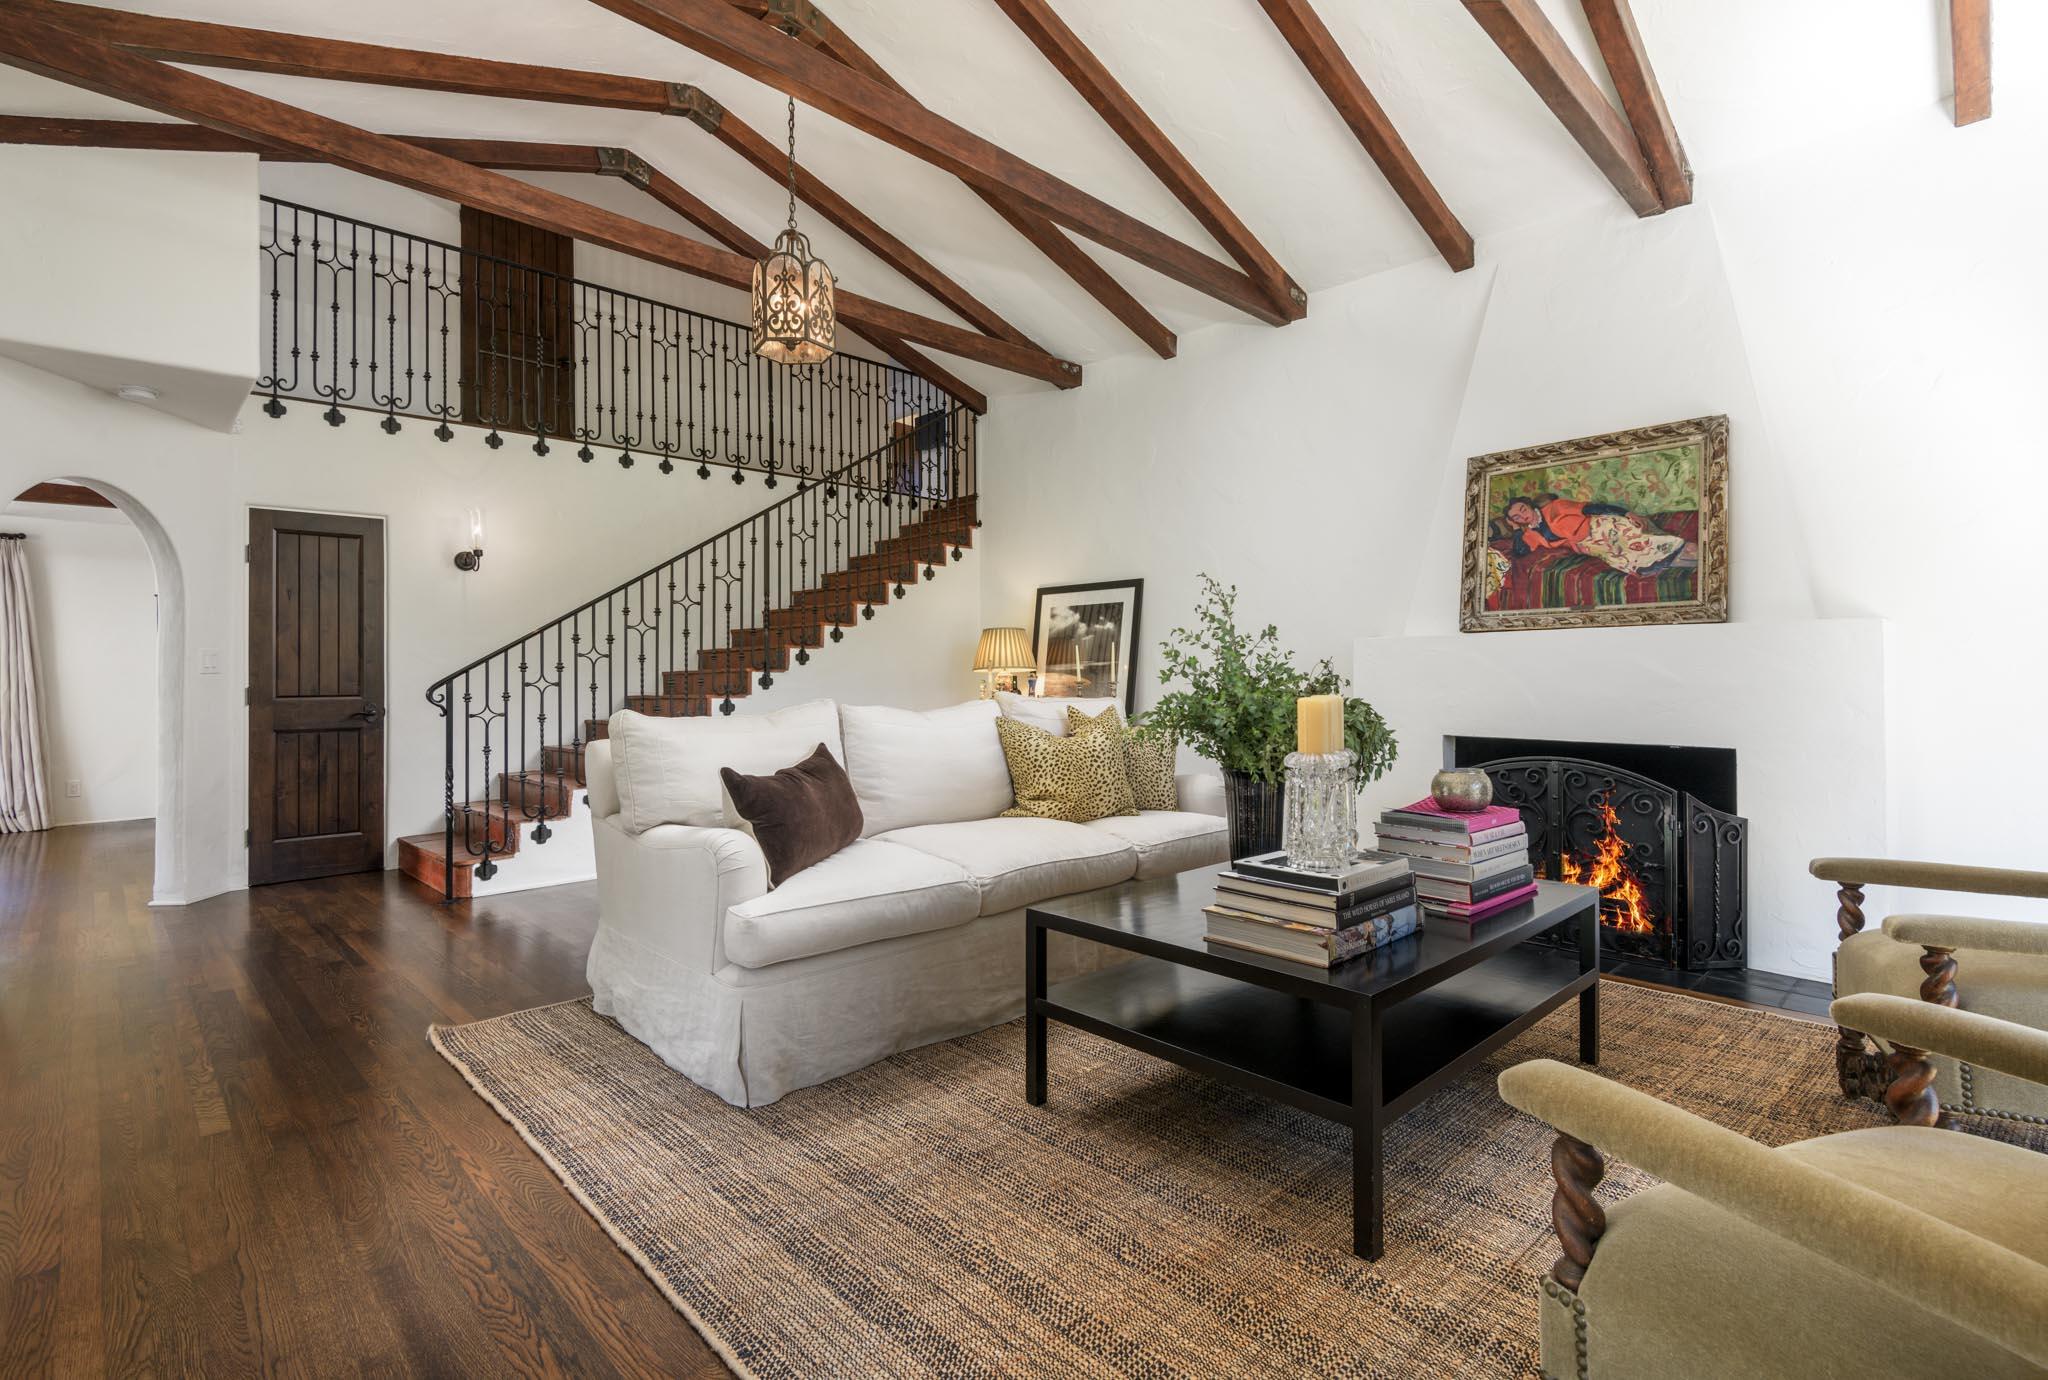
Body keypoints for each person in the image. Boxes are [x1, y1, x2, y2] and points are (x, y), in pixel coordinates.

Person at [1500, 493, 1698, 576]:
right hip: (1592, 546)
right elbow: (1519, 551)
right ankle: (1687, 561)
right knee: (1624, 560)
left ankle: (1693, 554)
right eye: (1517, 517)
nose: (1523, 516)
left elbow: (1593, 508)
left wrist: (1627, 514)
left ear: (1529, 505)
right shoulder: (1531, 534)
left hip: (1602, 527)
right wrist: (1516, 529)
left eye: (1523, 509)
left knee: (1641, 542)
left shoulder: (1556, 507)